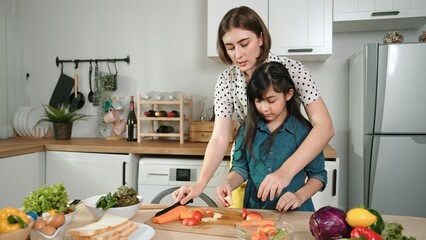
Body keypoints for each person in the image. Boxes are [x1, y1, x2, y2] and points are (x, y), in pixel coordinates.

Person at [173, 6, 334, 207]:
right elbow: (220, 137)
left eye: (244, 43)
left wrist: (286, 171)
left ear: (260, 38)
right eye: (230, 47)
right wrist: (201, 183)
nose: (238, 55)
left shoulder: (292, 70)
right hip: (251, 152)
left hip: (289, 157)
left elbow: (325, 127)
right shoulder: (226, 80)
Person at [216, 61, 327, 211]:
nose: (264, 108)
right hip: (256, 212)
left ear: (288, 94)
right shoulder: (247, 128)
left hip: (295, 213)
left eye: (271, 100)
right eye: (258, 100)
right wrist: (228, 184)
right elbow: (240, 168)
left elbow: (318, 176)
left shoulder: (305, 132)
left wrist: (299, 196)